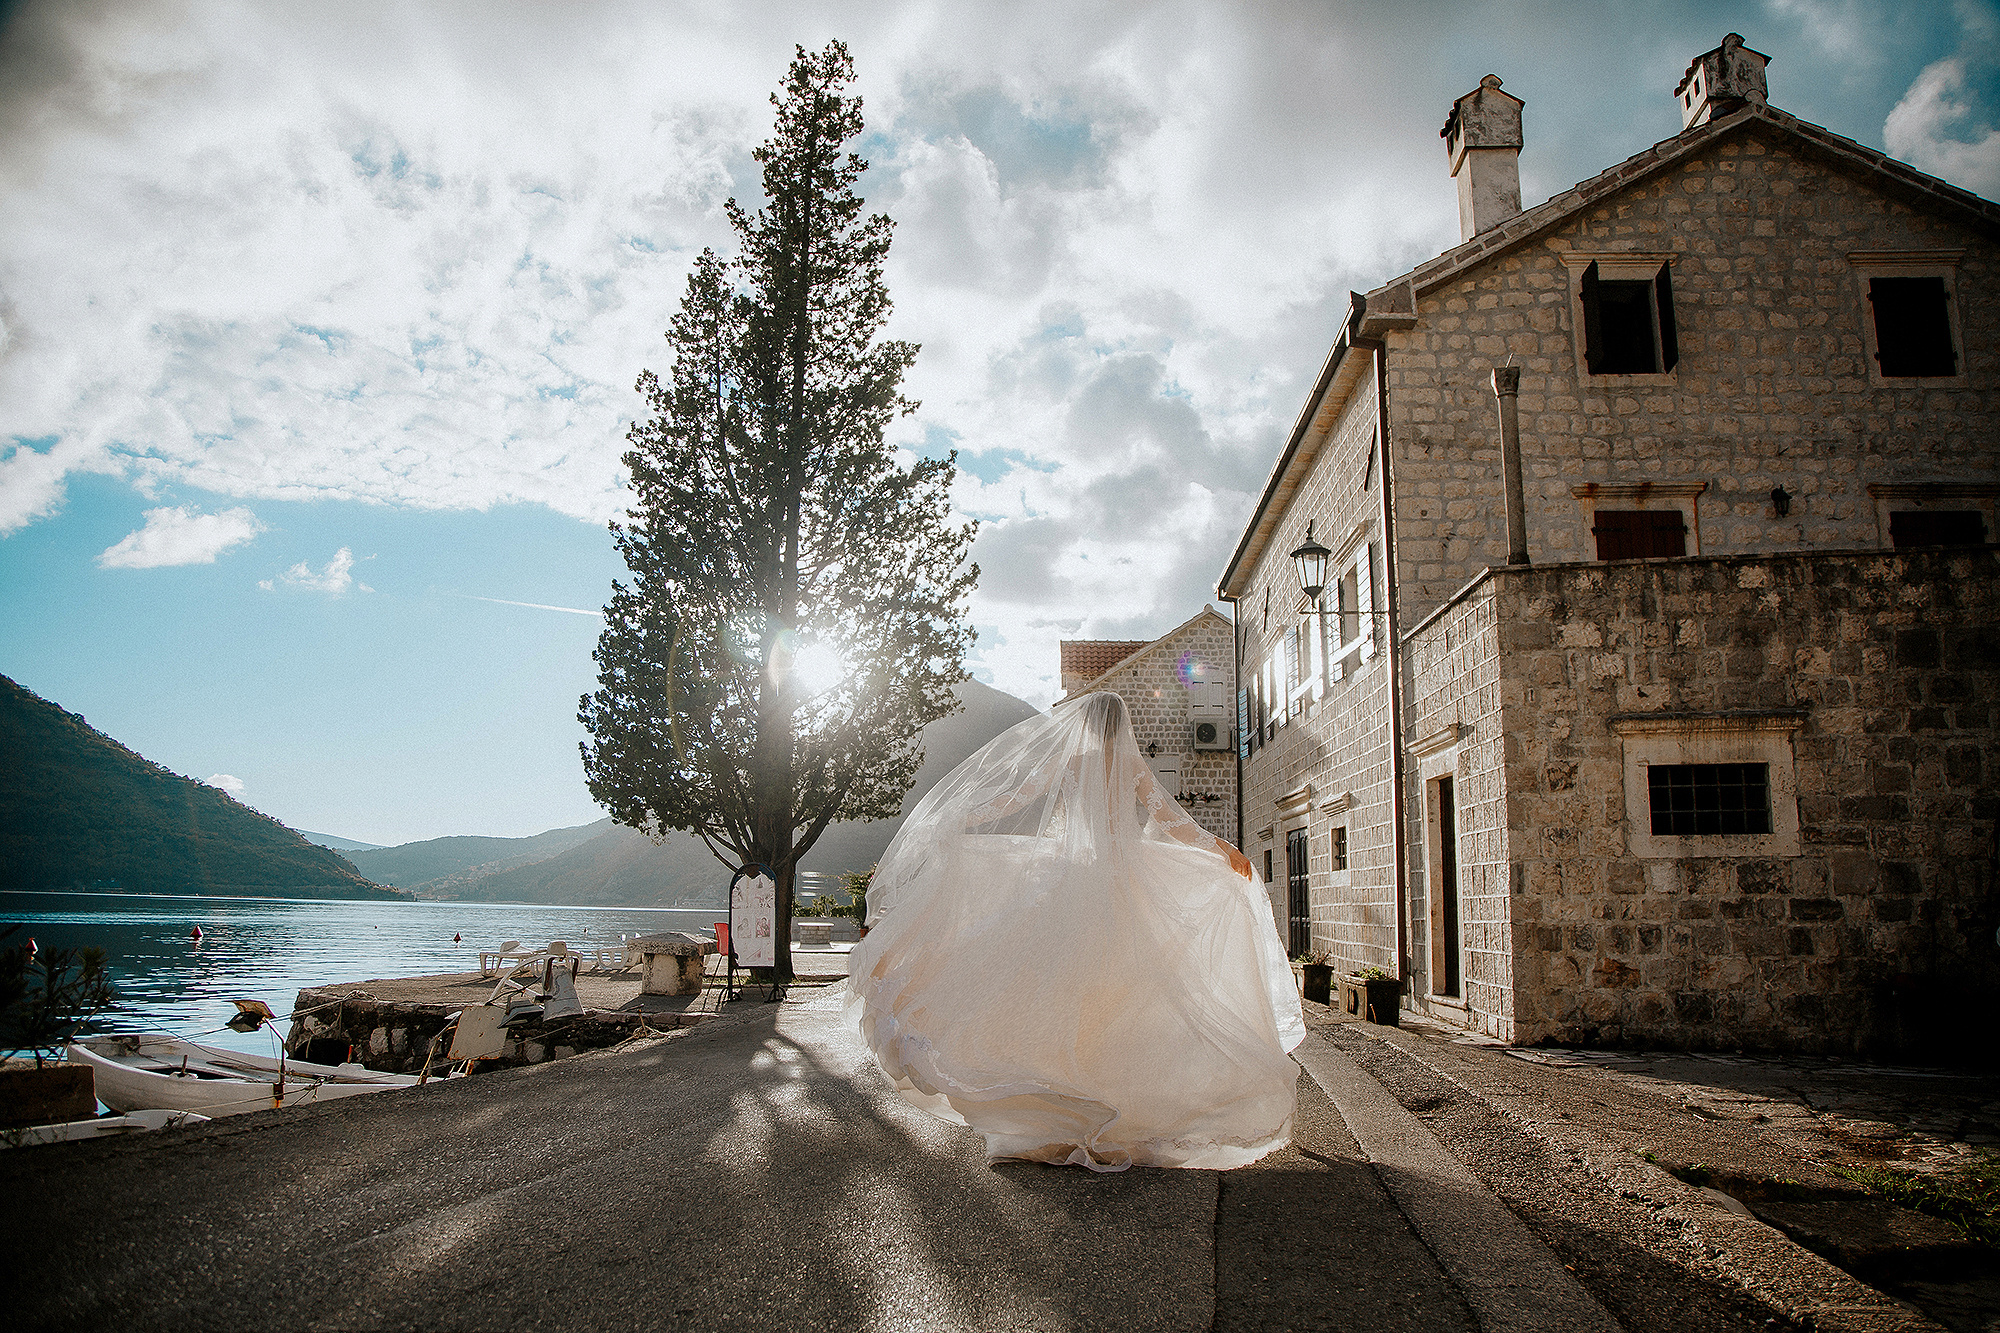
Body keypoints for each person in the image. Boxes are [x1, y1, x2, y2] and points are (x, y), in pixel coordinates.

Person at [845, 691, 1305, 1171]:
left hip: (1068, 883)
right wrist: (1223, 852)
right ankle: (1106, 1100)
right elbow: (1172, 822)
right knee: (1121, 1000)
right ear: (1120, 727)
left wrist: (962, 819)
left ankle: (1055, 1106)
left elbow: (1013, 798)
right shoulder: (1131, 768)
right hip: (1123, 890)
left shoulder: (1070, 762)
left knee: (1051, 993)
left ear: (1083, 725)